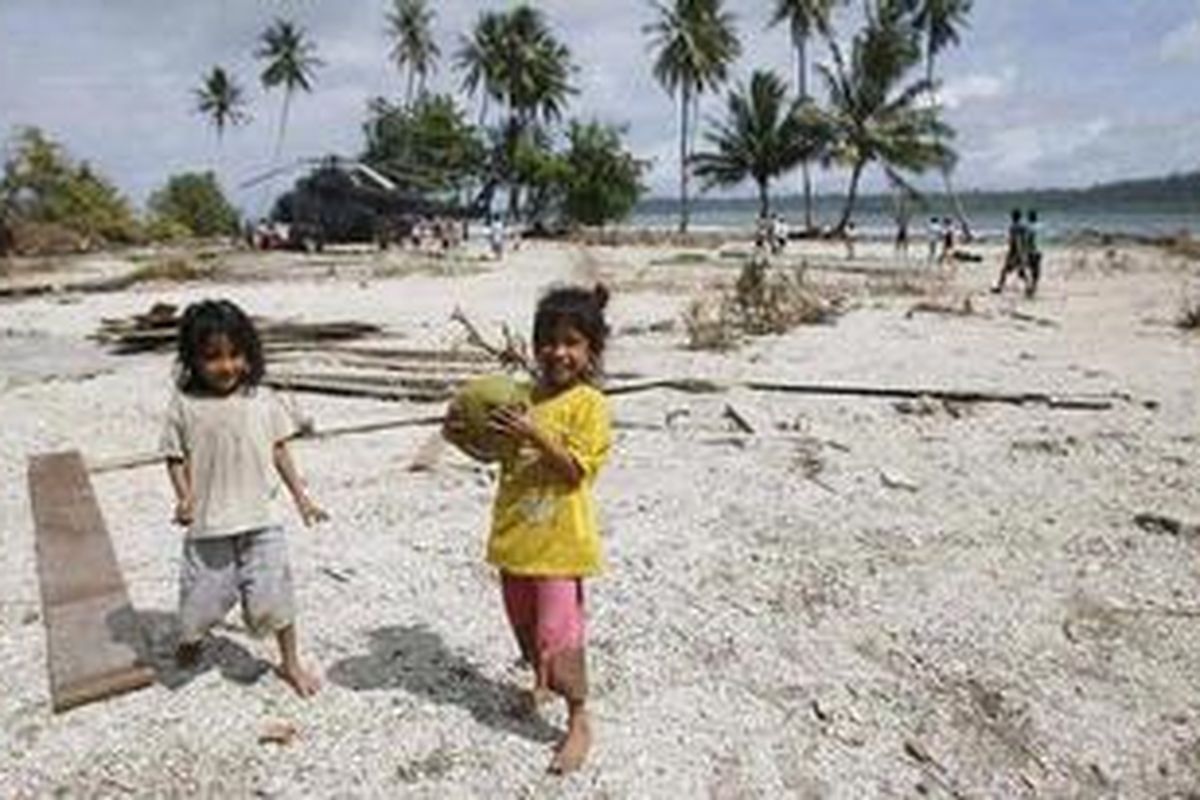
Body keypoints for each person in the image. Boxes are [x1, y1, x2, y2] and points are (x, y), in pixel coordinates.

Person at [444, 284, 613, 774]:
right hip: (516, 537)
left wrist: (535, 432)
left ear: (590, 351)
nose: (557, 352)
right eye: (548, 340)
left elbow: (577, 470)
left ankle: (579, 718)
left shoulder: (589, 406)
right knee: (524, 629)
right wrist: (459, 435)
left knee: (559, 635)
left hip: (561, 545)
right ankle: (539, 680)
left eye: (571, 342)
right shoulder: (519, 396)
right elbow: (492, 451)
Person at [161, 299, 327, 697]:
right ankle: (192, 637)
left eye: (236, 355)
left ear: (249, 354)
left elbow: (280, 450)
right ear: (193, 360)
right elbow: (174, 457)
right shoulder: (184, 405)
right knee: (202, 599)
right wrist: (184, 498)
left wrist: (302, 498)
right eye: (213, 357)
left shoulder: (262, 399)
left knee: (275, 596)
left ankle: (290, 662)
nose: (227, 366)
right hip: (208, 524)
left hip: (261, 519)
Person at [992, 208, 1028, 293]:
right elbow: (1024, 240)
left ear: (1013, 217)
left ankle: (1000, 287)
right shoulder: (1023, 227)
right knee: (1020, 272)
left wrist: (1017, 252)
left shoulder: (1013, 227)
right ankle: (1028, 286)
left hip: (1014, 252)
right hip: (1020, 251)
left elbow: (1016, 240)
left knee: (1005, 270)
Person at [1024, 209, 1042, 297]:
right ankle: (1032, 288)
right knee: (1036, 272)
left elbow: (1029, 241)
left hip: (1031, 252)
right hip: (1038, 252)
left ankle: (1030, 288)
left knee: (1029, 270)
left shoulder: (1028, 228)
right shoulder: (1039, 227)